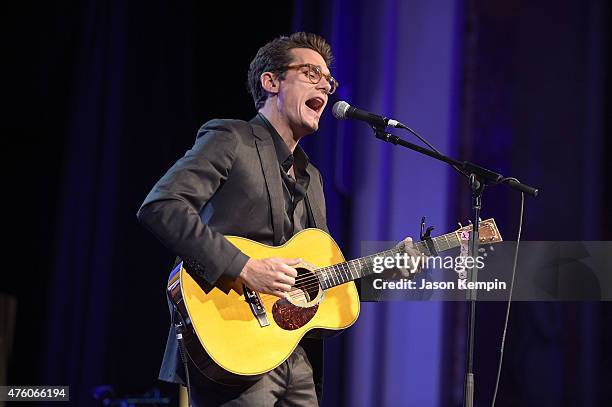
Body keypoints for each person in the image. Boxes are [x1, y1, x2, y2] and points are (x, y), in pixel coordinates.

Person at [137, 32, 338, 406]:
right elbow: (162, 204)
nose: (324, 86)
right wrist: (244, 267)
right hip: (236, 343)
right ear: (271, 81)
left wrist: (385, 270)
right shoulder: (232, 138)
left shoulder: (313, 178)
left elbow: (322, 274)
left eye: (329, 80)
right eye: (312, 73)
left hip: (296, 355)